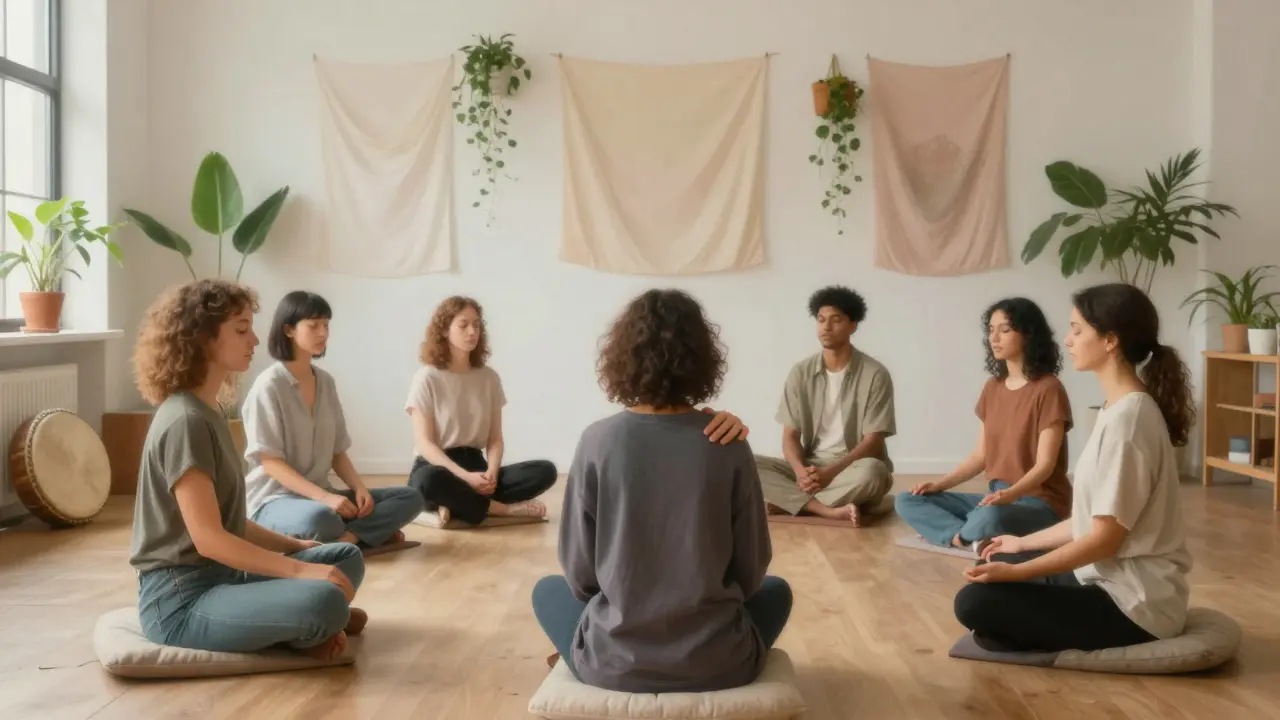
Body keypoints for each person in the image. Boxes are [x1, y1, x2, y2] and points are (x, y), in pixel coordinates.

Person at [533, 288, 791, 693]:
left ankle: (583, 657)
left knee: (547, 590)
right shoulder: (727, 442)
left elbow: (581, 578)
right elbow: (751, 570)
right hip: (720, 662)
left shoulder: (597, 441)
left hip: (614, 662)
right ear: (703, 358)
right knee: (777, 592)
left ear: (621, 356)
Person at [129, 279, 366, 660]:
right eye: (241, 330)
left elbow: (229, 521)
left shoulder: (210, 410)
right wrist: (298, 572)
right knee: (324, 600)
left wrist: (294, 547)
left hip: (225, 576)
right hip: (181, 602)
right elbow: (210, 539)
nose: (254, 340)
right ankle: (308, 622)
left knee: (343, 557)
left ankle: (299, 624)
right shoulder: (185, 421)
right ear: (202, 338)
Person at [954, 283, 1195, 652]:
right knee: (1001, 557)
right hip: (1104, 579)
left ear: (1110, 340)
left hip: (1134, 606)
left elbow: (1103, 539)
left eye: (1077, 330)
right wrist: (1021, 544)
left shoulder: (1128, 422)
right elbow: (1090, 521)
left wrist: (1018, 572)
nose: (1067, 340)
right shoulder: (1117, 409)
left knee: (973, 603)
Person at [243, 290, 424, 551]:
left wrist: (359, 488)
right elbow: (271, 462)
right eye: (313, 325)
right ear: (289, 330)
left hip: (323, 495)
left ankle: (348, 540)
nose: (323, 333)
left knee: (410, 497)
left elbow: (338, 453)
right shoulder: (269, 386)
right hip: (275, 501)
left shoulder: (326, 383)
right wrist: (324, 498)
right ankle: (369, 533)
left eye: (326, 325)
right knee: (321, 519)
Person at [897, 297, 1072, 552]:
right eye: (991, 330)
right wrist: (939, 485)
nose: (994, 338)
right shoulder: (992, 388)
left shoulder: (1049, 389)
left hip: (1038, 502)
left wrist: (1011, 495)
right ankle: (967, 537)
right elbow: (981, 456)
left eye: (1005, 330)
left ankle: (958, 534)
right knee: (906, 500)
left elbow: (1045, 466)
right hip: (996, 497)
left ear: (1028, 334)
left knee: (990, 516)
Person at [755, 285, 896, 526]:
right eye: (820, 320)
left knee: (874, 473)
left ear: (853, 325)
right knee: (745, 463)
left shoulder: (875, 374)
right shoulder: (801, 372)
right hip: (811, 467)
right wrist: (800, 472)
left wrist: (829, 473)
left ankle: (790, 503)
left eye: (836, 320)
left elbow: (872, 442)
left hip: (852, 468)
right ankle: (824, 509)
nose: (826, 327)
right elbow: (790, 436)